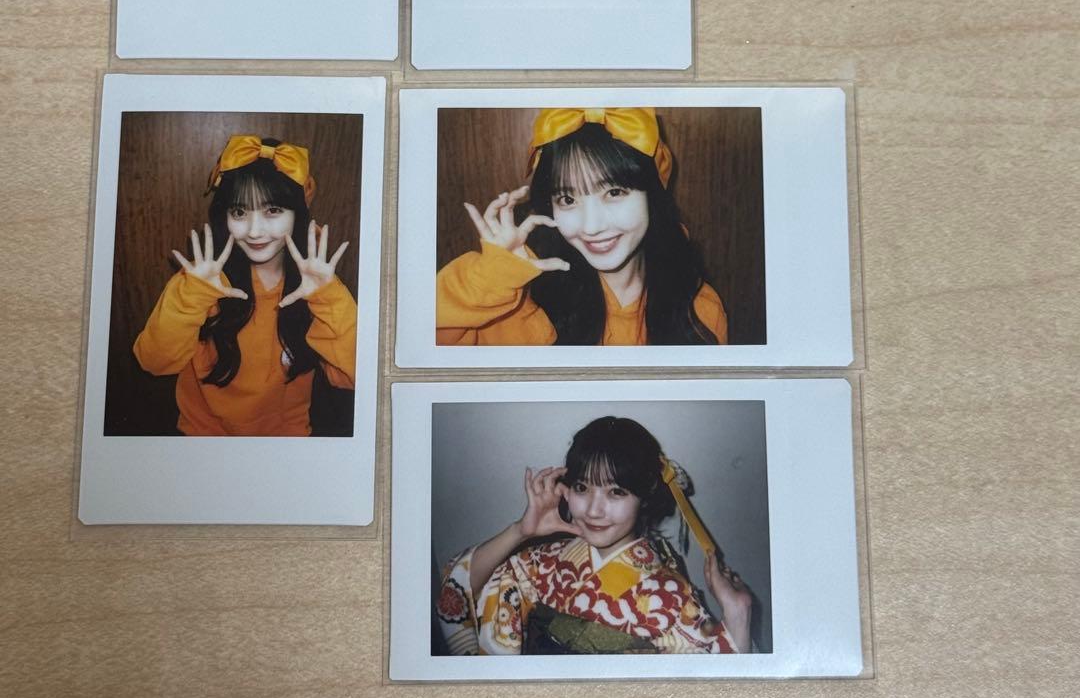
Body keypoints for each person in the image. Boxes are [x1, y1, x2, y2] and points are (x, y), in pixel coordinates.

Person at [435, 416, 753, 654]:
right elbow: (456, 591)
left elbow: (713, 686)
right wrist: (520, 531)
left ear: (644, 497)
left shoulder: (669, 596)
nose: (593, 510)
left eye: (616, 492)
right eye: (582, 487)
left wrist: (738, 613)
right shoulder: (543, 564)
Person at [436, 107, 728, 346]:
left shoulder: (700, 311)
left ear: (653, 195)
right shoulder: (514, 305)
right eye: (567, 199)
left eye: (614, 192)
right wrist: (490, 278)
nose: (591, 226)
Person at [133, 134, 357, 436]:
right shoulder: (201, 281)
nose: (254, 231)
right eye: (239, 212)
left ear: (298, 215)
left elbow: (354, 376)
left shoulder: (318, 286)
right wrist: (192, 296)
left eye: (272, 210)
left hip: (288, 442)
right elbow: (154, 362)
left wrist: (328, 298)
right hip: (203, 439)